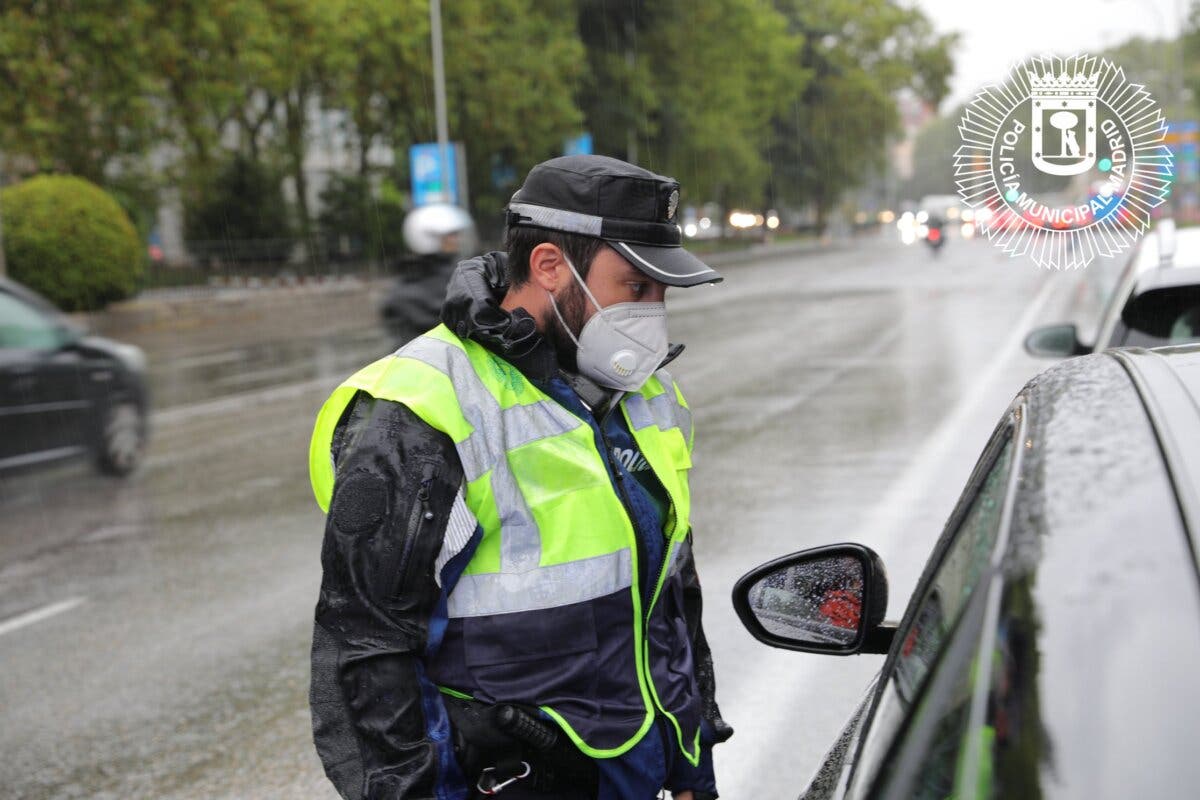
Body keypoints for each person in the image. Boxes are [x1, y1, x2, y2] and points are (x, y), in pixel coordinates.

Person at [308, 155, 732, 800]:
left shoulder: (646, 396)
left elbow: (669, 602)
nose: (654, 311)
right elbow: (368, 649)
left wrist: (690, 765)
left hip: (636, 778)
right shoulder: (424, 409)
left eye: (662, 292)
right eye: (636, 287)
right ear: (549, 265)